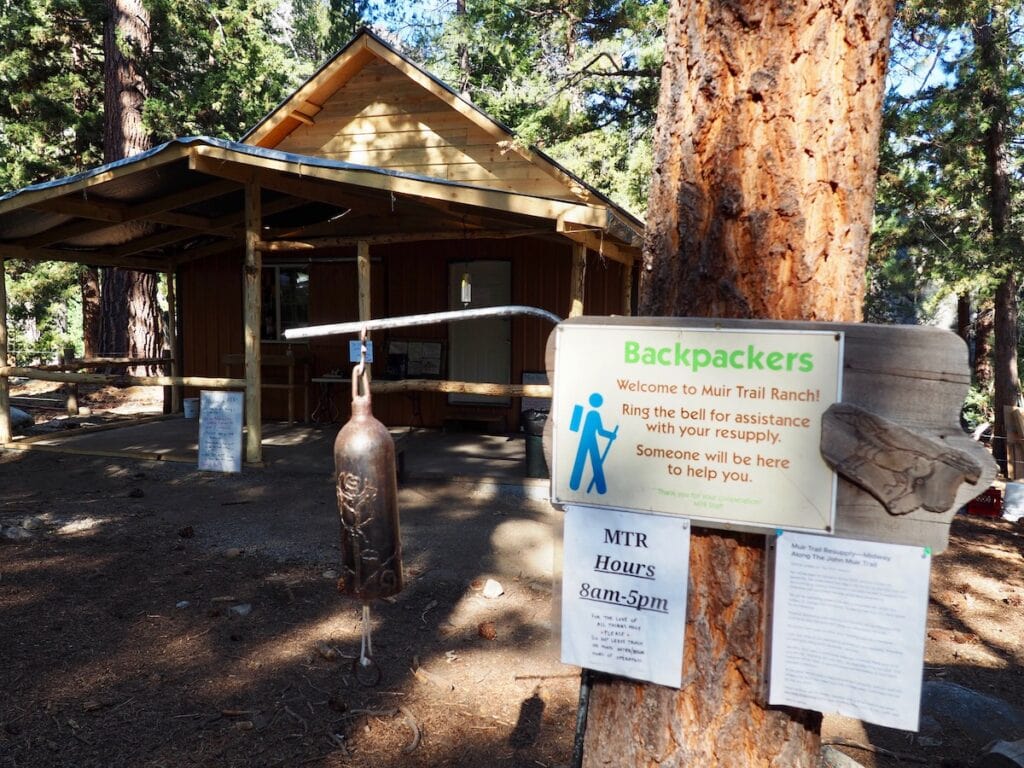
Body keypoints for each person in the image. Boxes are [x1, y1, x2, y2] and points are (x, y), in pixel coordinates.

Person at [569, 392, 617, 494]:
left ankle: (576, 485)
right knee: (594, 462)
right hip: (588, 439)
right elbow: (600, 431)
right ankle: (600, 488)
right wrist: (611, 435)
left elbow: (574, 426)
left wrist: (610, 435)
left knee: (583, 460)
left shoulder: (581, 409)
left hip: (587, 439)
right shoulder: (594, 414)